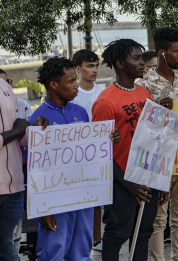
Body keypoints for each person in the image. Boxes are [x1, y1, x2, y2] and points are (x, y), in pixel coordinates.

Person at [29, 56, 118, 260]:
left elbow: (90, 152)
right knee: (53, 253)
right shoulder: (38, 120)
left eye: (75, 80)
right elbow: (35, 169)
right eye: (71, 81)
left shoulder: (80, 112)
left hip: (83, 197)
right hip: (55, 203)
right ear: (54, 84)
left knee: (81, 253)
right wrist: (42, 209)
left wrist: (109, 138)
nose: (77, 85)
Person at [92, 39, 163, 261]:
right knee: (116, 235)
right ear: (120, 63)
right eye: (136, 58)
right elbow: (99, 153)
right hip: (121, 181)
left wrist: (159, 179)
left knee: (142, 235)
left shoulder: (144, 93)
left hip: (147, 177)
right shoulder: (105, 101)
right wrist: (129, 184)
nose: (142, 63)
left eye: (142, 58)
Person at [139, 27, 178, 261]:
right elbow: (141, 126)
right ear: (162, 52)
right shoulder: (145, 84)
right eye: (177, 52)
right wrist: (157, 110)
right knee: (158, 219)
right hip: (157, 162)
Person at [0, 29, 39, 261]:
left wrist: (35, 130)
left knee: (11, 255)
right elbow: (13, 131)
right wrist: (13, 132)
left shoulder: (4, 87)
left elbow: (20, 132)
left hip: (14, 187)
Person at [70, 49, 105, 254]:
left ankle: (96, 240)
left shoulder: (103, 91)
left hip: (98, 153)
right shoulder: (73, 94)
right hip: (76, 155)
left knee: (97, 200)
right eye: (90, 66)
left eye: (96, 65)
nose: (94, 70)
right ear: (78, 69)